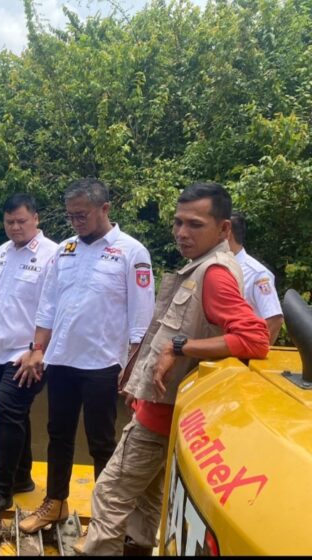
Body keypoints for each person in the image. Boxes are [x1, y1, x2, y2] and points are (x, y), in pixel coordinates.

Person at [79, 183, 270, 556]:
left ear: (224, 229)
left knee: (110, 491)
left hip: (161, 416)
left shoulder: (214, 274)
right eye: (178, 223)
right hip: (167, 409)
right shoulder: (203, 267)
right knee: (149, 496)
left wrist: (179, 347)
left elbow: (255, 338)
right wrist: (140, 367)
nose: (182, 233)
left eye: (195, 224)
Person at [17, 178, 156, 533]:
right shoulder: (64, 250)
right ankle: (56, 503)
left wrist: (133, 368)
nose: (76, 222)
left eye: (83, 215)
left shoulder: (130, 252)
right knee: (58, 434)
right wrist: (38, 349)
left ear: (105, 209)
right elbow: (48, 306)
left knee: (102, 441)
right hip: (62, 360)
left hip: (104, 364)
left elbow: (142, 319)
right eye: (71, 216)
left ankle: (105, 517)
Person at [0, 194, 59, 522]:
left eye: (22, 221)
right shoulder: (2, 251)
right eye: (10, 222)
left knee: (6, 409)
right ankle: (22, 476)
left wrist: (39, 349)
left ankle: (1, 490)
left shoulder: (52, 255)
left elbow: (58, 308)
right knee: (15, 413)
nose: (16, 227)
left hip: (30, 352)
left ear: (36, 218)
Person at [228, 212, 284, 344]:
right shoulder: (216, 266)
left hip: (239, 359)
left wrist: (251, 356)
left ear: (227, 233)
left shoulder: (257, 274)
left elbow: (274, 320)